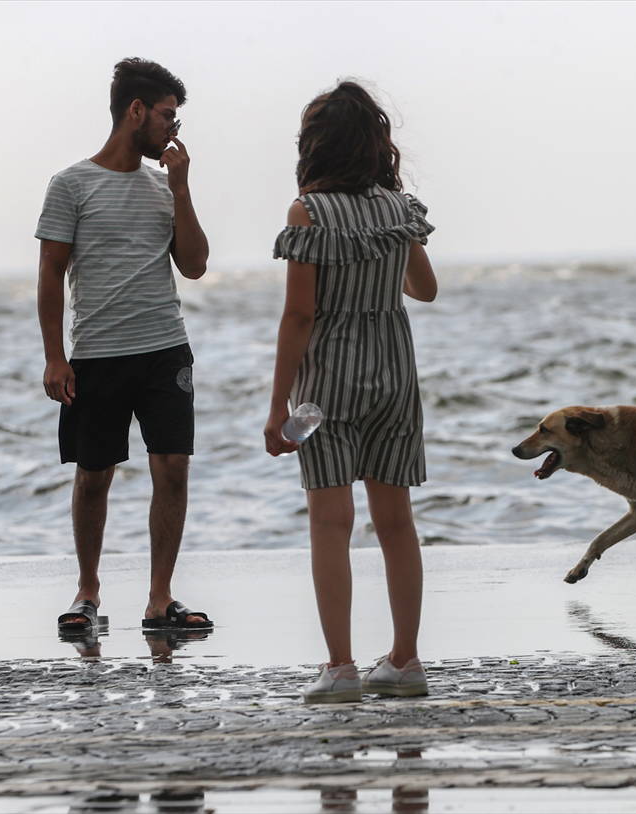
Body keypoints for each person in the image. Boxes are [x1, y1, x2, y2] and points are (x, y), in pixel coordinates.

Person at [264, 81, 437, 703]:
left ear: (316, 145)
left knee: (330, 523)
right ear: (375, 142)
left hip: (327, 385)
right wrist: (383, 264)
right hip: (394, 374)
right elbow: (425, 289)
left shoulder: (307, 213)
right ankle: (406, 660)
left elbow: (300, 316)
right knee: (396, 521)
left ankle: (340, 668)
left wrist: (276, 406)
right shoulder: (399, 208)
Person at [37, 58, 213, 634]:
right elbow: (50, 274)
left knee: (173, 469)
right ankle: (87, 593)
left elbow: (194, 265)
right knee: (93, 475)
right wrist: (54, 356)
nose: (173, 129)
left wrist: (182, 189)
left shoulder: (165, 187)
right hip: (95, 354)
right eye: (167, 116)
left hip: (165, 350)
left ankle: (160, 598)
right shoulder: (71, 184)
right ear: (134, 111)